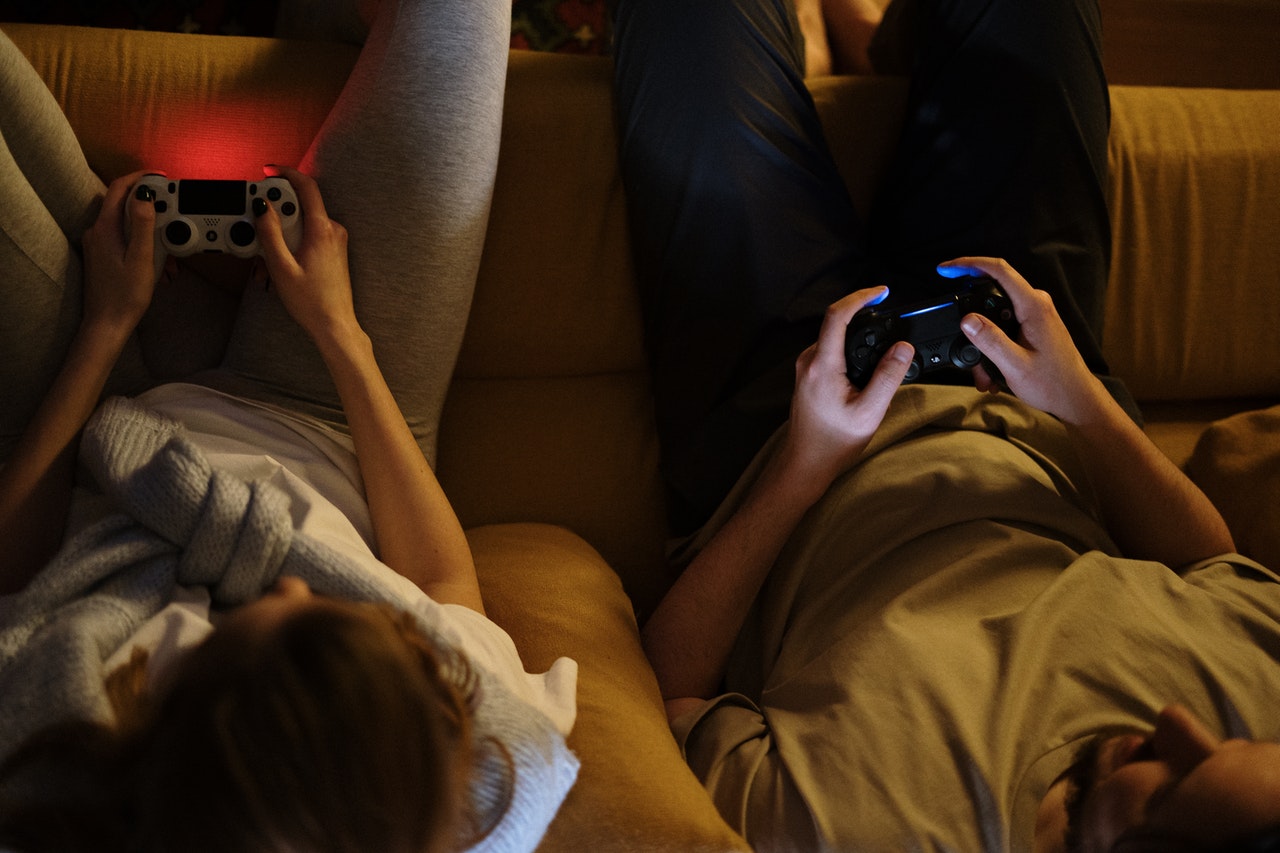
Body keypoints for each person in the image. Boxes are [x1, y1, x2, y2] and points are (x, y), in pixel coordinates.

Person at [609, 0, 1280, 850]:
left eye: (1172, 783)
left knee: (686, 19)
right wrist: (1080, 401)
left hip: (779, 430)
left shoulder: (850, 829)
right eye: (1235, 743)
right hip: (1033, 397)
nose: (1182, 723)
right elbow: (1213, 565)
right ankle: (877, 41)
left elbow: (666, 688)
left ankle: (855, 41)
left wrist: (806, 464)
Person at [0, 1, 579, 850]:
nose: (296, 583)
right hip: (327, 408)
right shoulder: (444, 765)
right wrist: (341, 332)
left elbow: (15, 577)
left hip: (97, 410)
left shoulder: (46, 760)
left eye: (272, 611)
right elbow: (441, 576)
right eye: (316, 606)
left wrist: (105, 323)